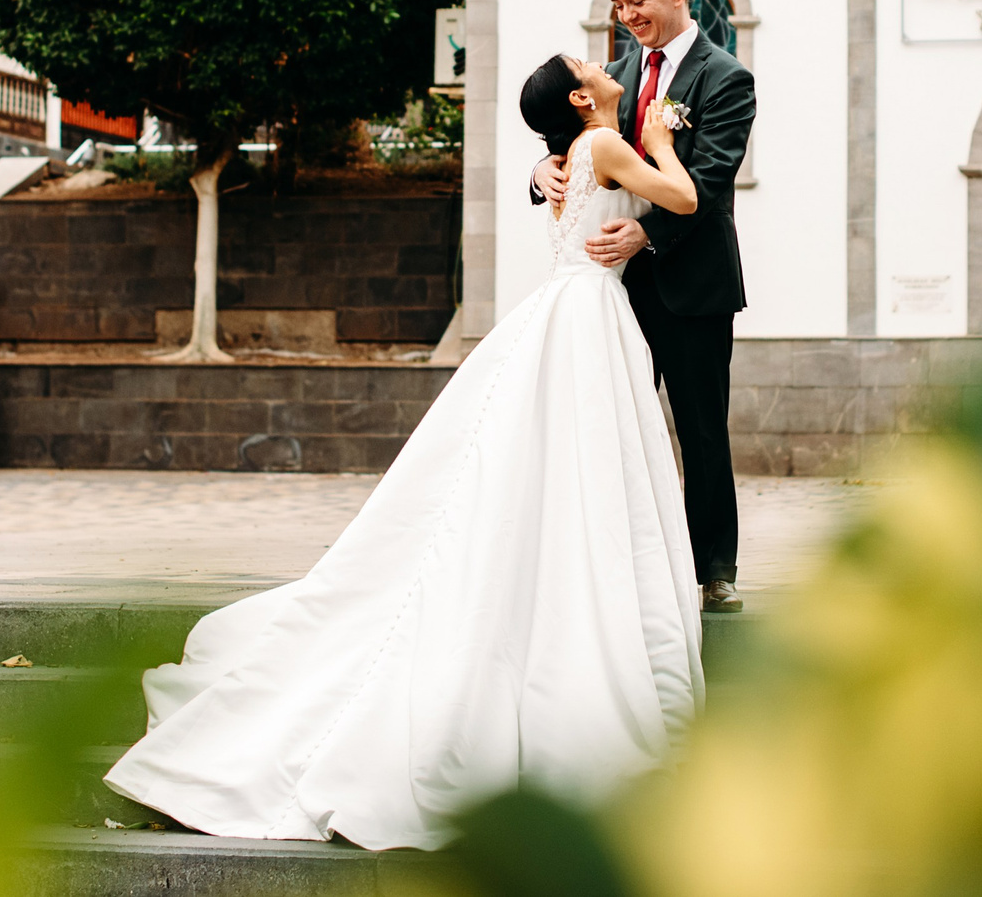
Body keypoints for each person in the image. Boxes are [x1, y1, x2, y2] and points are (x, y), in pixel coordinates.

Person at [104, 55, 706, 850]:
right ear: (579, 96)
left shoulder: (573, 154)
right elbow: (684, 197)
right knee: (584, 462)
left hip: (572, 307)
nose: (600, 60)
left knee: (557, 463)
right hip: (589, 314)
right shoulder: (599, 144)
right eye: (587, 64)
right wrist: (662, 140)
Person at [533, 0, 757, 612]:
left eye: (636, 1)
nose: (626, 15)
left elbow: (712, 179)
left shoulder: (725, 77)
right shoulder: (614, 72)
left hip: (693, 284)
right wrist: (539, 172)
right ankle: (621, 565)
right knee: (615, 427)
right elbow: (572, 142)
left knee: (700, 429)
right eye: (617, 4)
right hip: (615, 292)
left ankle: (712, 570)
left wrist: (647, 232)